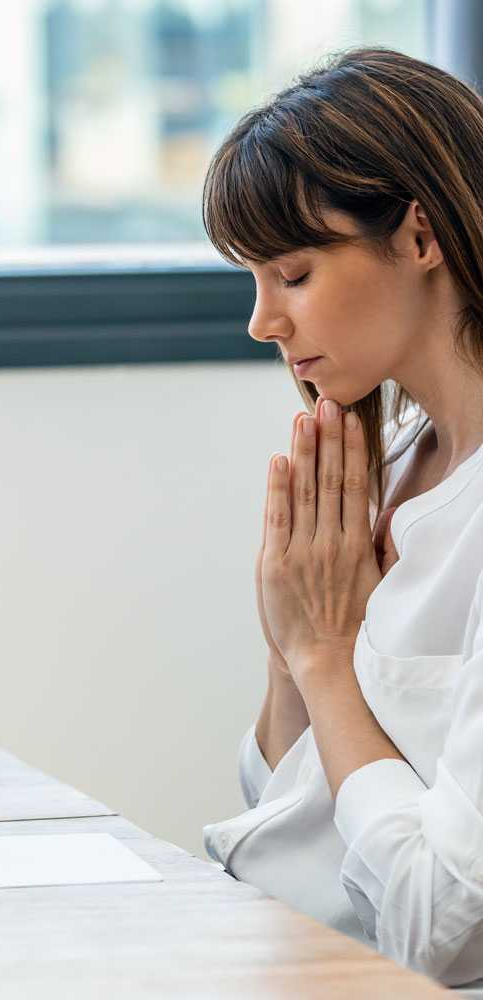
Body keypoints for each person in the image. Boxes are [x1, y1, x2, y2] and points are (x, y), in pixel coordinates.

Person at [199, 46, 483, 993]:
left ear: (420, 235)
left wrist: (326, 655)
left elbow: (444, 922)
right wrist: (290, 647)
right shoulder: (385, 467)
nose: (261, 321)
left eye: (291, 271)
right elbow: (288, 811)